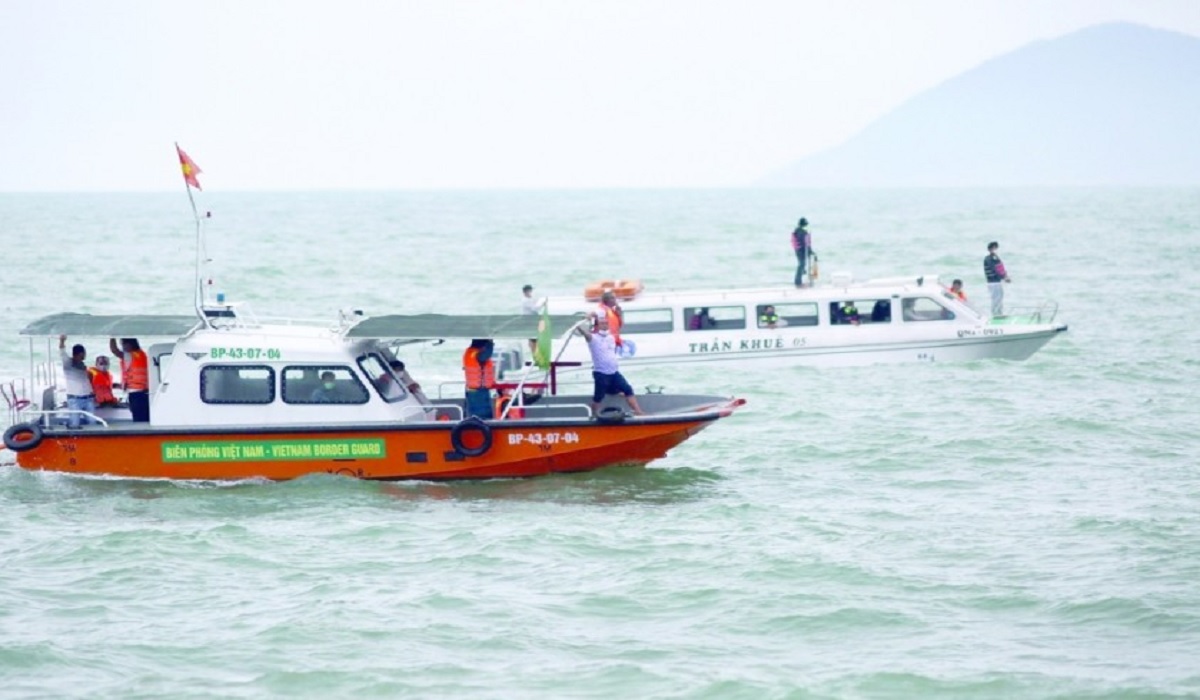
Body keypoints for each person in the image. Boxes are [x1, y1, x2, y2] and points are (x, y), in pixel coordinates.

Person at [577, 314, 643, 417]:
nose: (605, 325)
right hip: (601, 373)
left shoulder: (610, 337)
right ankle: (594, 415)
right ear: (597, 326)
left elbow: (618, 324)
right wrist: (587, 320)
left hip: (614, 371)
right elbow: (583, 331)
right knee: (598, 397)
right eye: (602, 324)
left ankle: (638, 412)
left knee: (628, 389)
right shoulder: (593, 338)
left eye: (606, 323)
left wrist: (617, 312)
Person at [59, 335, 97, 429]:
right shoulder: (68, 363)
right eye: (84, 353)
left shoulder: (82, 365)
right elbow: (62, 352)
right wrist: (62, 341)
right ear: (80, 353)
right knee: (75, 423)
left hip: (88, 397)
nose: (85, 355)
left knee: (93, 422)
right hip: (75, 399)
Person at [109, 337, 150, 422]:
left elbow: (114, 350)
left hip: (135, 394)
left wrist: (112, 336)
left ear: (129, 344)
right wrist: (119, 385)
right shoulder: (142, 355)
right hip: (145, 391)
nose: (123, 347)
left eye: (123, 344)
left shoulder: (129, 355)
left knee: (138, 418)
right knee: (145, 417)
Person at [462, 339, 496, 419]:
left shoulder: (470, 353)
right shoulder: (476, 354)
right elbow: (487, 354)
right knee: (482, 415)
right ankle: (484, 429)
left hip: (474, 390)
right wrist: (490, 343)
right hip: (478, 392)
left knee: (475, 413)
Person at [983, 241, 1011, 316]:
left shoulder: (996, 258)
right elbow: (994, 268)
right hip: (992, 282)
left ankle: (999, 313)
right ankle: (995, 314)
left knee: (1000, 297)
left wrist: (1005, 276)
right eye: (994, 248)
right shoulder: (988, 258)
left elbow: (1001, 268)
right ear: (989, 249)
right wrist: (1004, 277)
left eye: (996, 248)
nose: (995, 249)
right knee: (995, 298)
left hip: (997, 281)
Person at [791, 217, 818, 288]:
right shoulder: (801, 232)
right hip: (800, 250)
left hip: (799, 249)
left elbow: (806, 243)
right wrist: (810, 251)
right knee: (802, 264)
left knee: (802, 264)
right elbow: (805, 243)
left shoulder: (799, 231)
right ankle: (798, 282)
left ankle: (801, 279)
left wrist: (810, 251)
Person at [521, 284, 540, 354]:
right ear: (526, 292)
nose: (531, 292)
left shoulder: (529, 299)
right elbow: (534, 309)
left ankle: (535, 352)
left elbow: (535, 302)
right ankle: (534, 353)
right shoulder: (525, 300)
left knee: (534, 338)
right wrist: (543, 304)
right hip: (529, 321)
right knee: (533, 338)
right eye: (530, 291)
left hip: (533, 320)